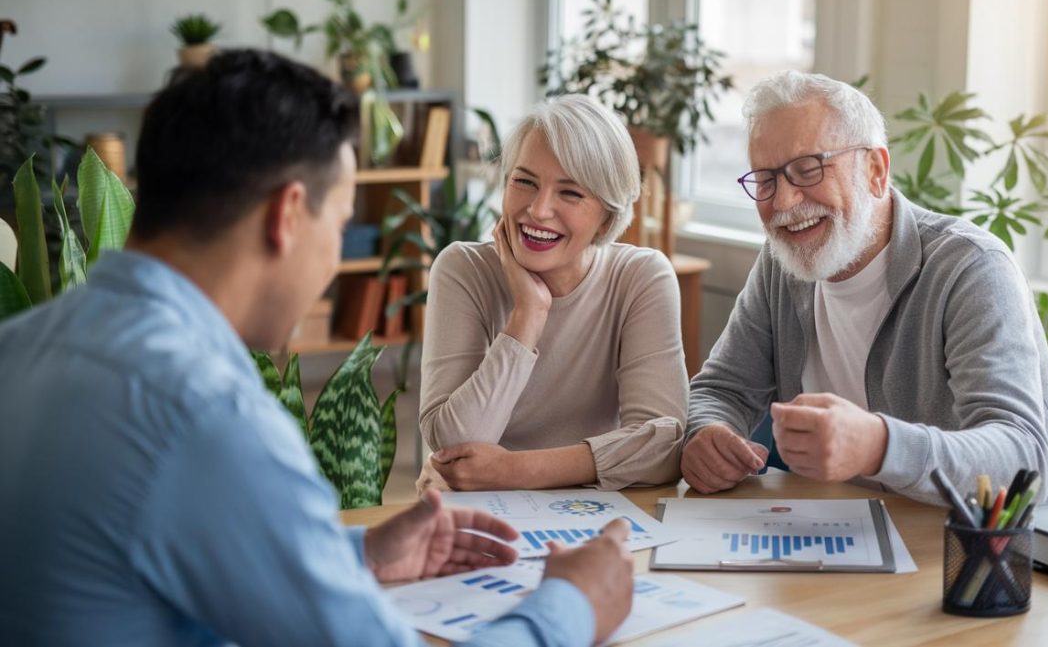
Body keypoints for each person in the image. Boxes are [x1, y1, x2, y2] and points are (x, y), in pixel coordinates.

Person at [0, 49, 633, 647]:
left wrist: (351, 557)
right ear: (288, 215)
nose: (333, 260)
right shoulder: (210, 418)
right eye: (340, 221)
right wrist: (570, 605)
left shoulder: (19, 346)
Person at [681, 71, 1048, 505]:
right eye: (766, 180)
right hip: (880, 535)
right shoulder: (782, 263)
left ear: (876, 170)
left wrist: (879, 446)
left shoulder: (970, 267)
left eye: (808, 170)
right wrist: (710, 433)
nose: (783, 203)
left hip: (1018, 551)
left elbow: (1022, 463)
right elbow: (721, 390)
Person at [417, 95, 688, 492]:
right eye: (524, 182)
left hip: (596, 517)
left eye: (570, 193)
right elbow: (456, 447)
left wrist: (510, 471)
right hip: (481, 520)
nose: (538, 210)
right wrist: (528, 314)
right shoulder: (463, 271)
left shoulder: (641, 278)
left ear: (607, 217)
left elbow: (664, 446)